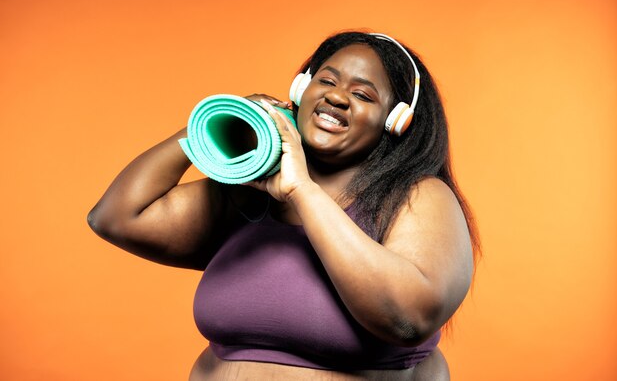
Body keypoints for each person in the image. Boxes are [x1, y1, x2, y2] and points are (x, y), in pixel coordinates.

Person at [87, 30, 480, 380]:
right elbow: (117, 217)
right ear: (299, 91)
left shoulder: (417, 196)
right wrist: (206, 126)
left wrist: (302, 191)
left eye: (362, 94)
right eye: (326, 81)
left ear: (396, 120)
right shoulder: (251, 190)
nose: (336, 96)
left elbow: (407, 318)